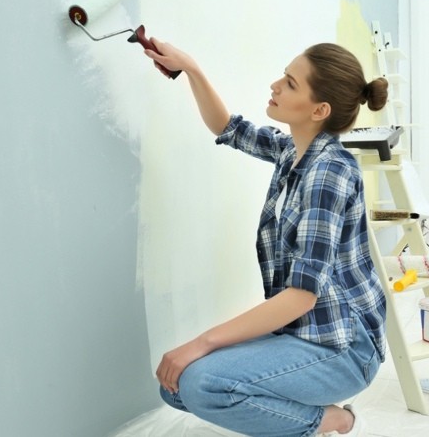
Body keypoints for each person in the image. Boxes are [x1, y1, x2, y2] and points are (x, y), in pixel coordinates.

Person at [143, 39, 389, 437]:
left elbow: (301, 295)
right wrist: (190, 67)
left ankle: (333, 420)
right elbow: (228, 127)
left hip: (342, 349)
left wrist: (202, 342)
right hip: (304, 332)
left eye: (290, 83)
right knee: (176, 387)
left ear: (319, 110)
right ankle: (304, 410)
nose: (275, 85)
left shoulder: (329, 173)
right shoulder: (294, 151)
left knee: (199, 382)